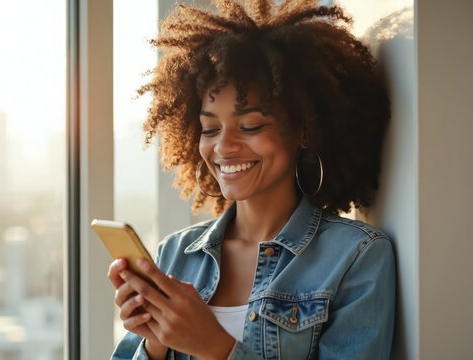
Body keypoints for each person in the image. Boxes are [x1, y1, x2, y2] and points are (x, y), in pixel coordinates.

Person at [108, 0, 395, 359]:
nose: (224, 147)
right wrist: (155, 342)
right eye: (210, 128)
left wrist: (213, 345)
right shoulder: (176, 253)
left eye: (250, 126)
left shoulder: (356, 257)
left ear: (303, 130)